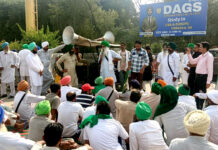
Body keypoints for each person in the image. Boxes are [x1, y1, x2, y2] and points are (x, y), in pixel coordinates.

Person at [187, 42, 214, 110]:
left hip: (203, 78)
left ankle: (200, 109)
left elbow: (210, 70)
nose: (199, 48)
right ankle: (196, 108)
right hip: (197, 77)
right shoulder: (201, 56)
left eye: (201, 47)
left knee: (201, 94)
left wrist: (208, 82)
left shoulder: (209, 56)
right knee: (196, 94)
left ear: (205, 48)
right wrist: (189, 53)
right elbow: (192, 62)